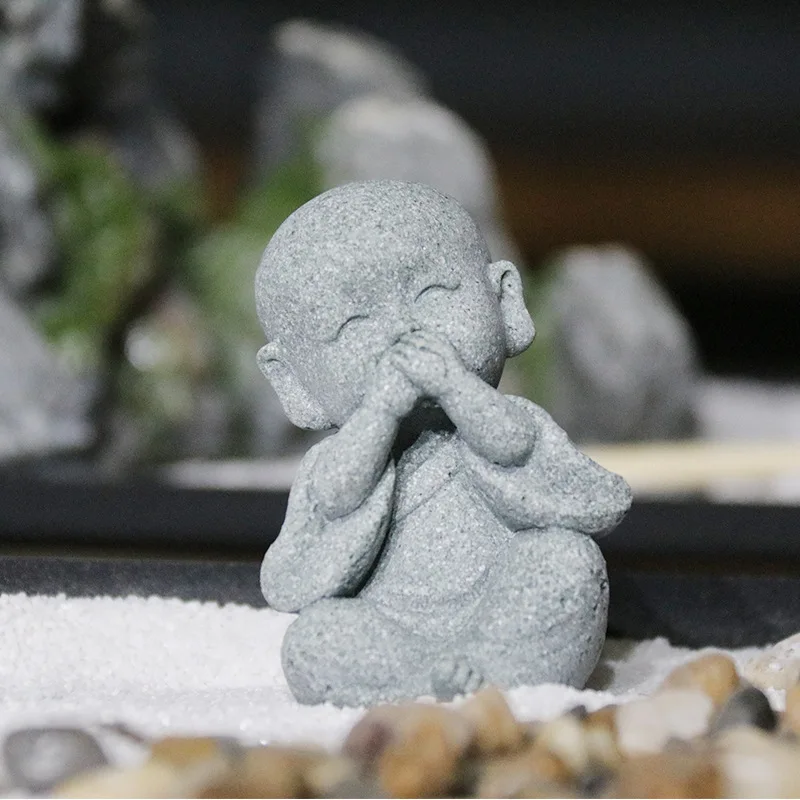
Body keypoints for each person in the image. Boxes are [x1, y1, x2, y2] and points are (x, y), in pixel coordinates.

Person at [255, 181, 631, 706]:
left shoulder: (511, 419)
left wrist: (457, 386)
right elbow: (338, 496)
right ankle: (422, 685)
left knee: (567, 560)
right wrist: (380, 411)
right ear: (293, 382)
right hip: (389, 625)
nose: (403, 330)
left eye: (431, 293)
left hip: (504, 605)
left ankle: (501, 672)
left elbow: (515, 448)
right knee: (313, 638)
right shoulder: (334, 461)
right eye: (353, 323)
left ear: (506, 303)